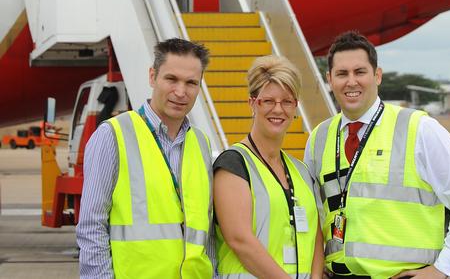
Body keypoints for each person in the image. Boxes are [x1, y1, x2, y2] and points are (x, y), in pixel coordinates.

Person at [304, 31, 450, 279]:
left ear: (377, 75)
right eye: (341, 74)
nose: (351, 82)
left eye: (360, 72)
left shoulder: (417, 127)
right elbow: (313, 215)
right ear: (329, 79)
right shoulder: (319, 137)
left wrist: (444, 269)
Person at [77, 37, 214, 278]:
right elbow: (91, 227)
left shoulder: (201, 143)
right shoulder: (113, 135)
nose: (180, 92)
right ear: (152, 77)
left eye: (191, 83)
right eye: (171, 79)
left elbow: (206, 230)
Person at [213, 55, 324, 278]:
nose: (278, 109)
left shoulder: (301, 171)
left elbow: (316, 237)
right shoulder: (233, 164)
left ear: (295, 108)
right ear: (252, 103)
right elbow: (240, 240)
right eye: (268, 101)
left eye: (286, 101)